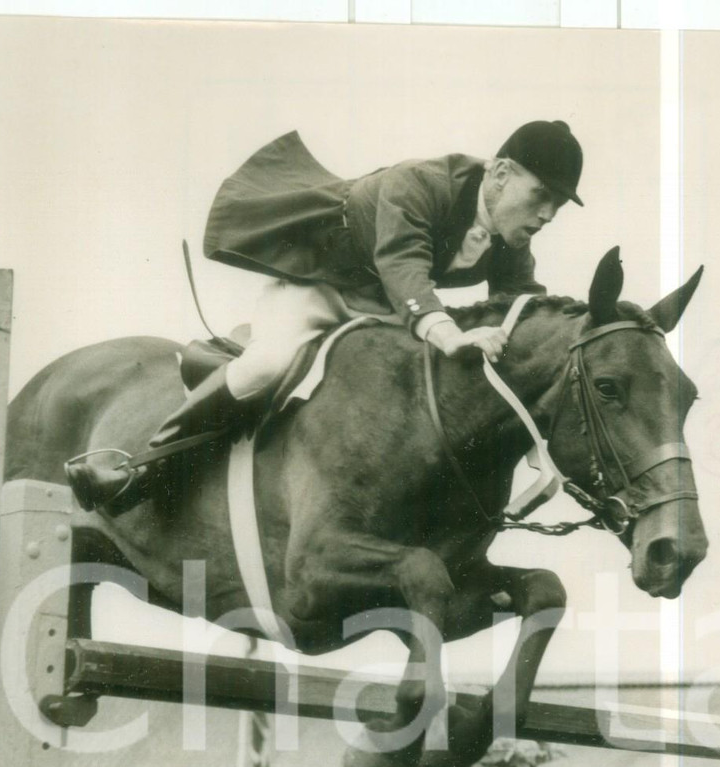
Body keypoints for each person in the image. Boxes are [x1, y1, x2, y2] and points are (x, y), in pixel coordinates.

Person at [67, 120, 584, 513]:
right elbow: (403, 263)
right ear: (500, 174)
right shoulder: (420, 183)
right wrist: (449, 334)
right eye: (541, 196)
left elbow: (520, 310)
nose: (546, 215)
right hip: (318, 287)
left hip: (385, 311)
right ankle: (140, 471)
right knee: (267, 366)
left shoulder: (512, 237)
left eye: (557, 206)